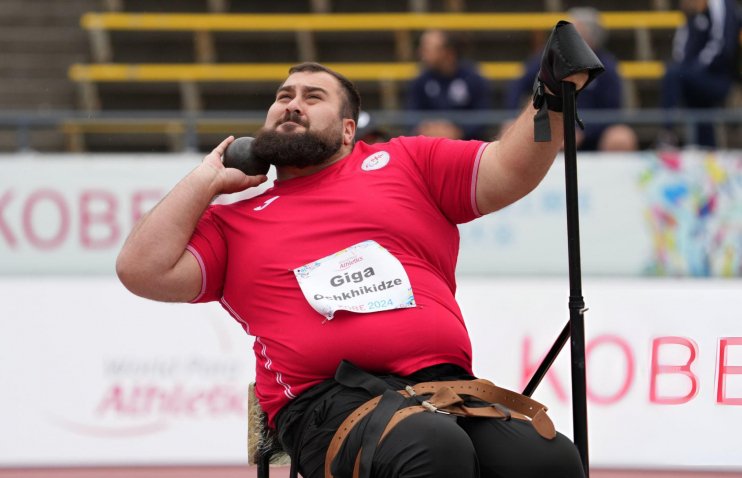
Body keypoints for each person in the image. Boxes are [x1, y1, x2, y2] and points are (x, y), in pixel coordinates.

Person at [116, 58, 590, 478]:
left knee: (550, 460)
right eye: (283, 97)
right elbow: (140, 269)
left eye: (312, 97)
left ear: (347, 130)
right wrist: (207, 179)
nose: (292, 104)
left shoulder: (407, 163)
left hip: (445, 388)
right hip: (329, 402)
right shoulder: (232, 224)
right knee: (431, 447)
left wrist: (548, 96)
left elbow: (507, 170)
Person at [505, 7, 638, 152]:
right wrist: (514, 118)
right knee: (509, 129)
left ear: (591, 36)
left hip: (592, 134)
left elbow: (612, 113)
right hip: (549, 126)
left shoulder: (608, 68)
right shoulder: (548, 58)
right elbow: (517, 85)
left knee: (620, 137)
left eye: (574, 31)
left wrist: (583, 132)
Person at [659, 0, 740, 148]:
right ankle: (707, 152)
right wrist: (688, 69)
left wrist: (693, 69)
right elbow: (681, 48)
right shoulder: (690, 13)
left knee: (673, 74)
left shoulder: (721, 6)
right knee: (703, 124)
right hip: (696, 77)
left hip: (718, 78)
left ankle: (667, 133)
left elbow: (722, 46)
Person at [406, 29, 492, 140]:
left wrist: (459, 131)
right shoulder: (421, 80)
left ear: (447, 52)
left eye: (427, 49)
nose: (421, 53)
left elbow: (483, 115)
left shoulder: (473, 78)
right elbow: (411, 115)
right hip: (430, 145)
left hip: (467, 145)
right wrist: (424, 129)